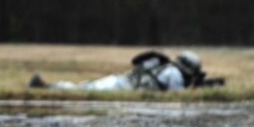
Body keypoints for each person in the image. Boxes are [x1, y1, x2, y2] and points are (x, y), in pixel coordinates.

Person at [28, 50, 206, 91]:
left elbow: (136, 60)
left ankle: (46, 85)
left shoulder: (160, 63)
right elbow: (177, 96)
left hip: (118, 80)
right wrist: (194, 88)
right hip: (119, 87)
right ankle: (45, 86)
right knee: (81, 89)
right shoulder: (173, 74)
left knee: (81, 87)